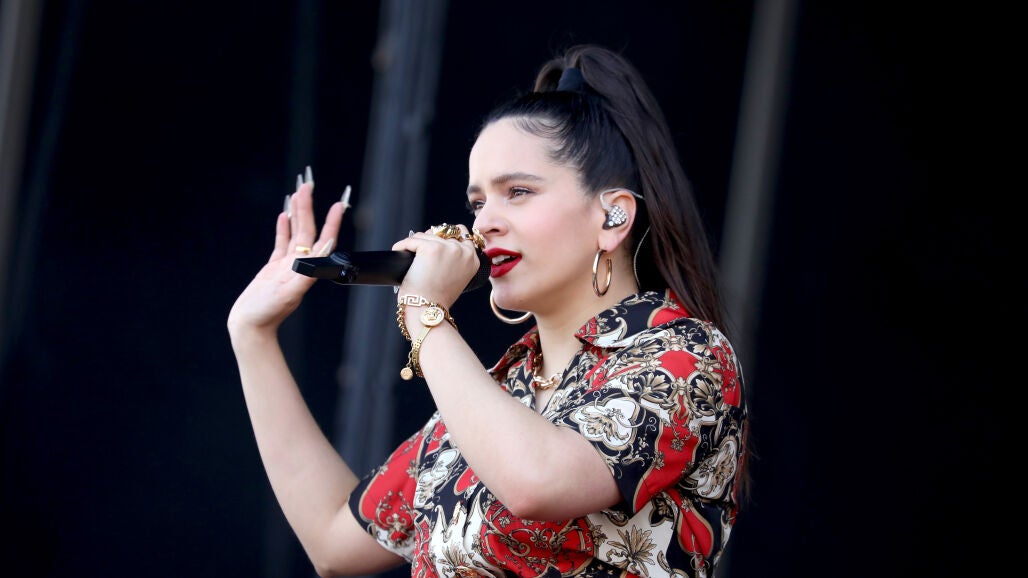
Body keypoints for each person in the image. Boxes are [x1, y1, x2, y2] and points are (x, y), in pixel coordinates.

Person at [228, 44, 749, 578]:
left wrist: (425, 312)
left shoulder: (686, 357)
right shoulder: (499, 392)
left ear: (612, 217)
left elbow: (535, 482)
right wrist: (252, 335)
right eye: (478, 203)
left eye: (518, 192)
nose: (484, 224)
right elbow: (332, 540)